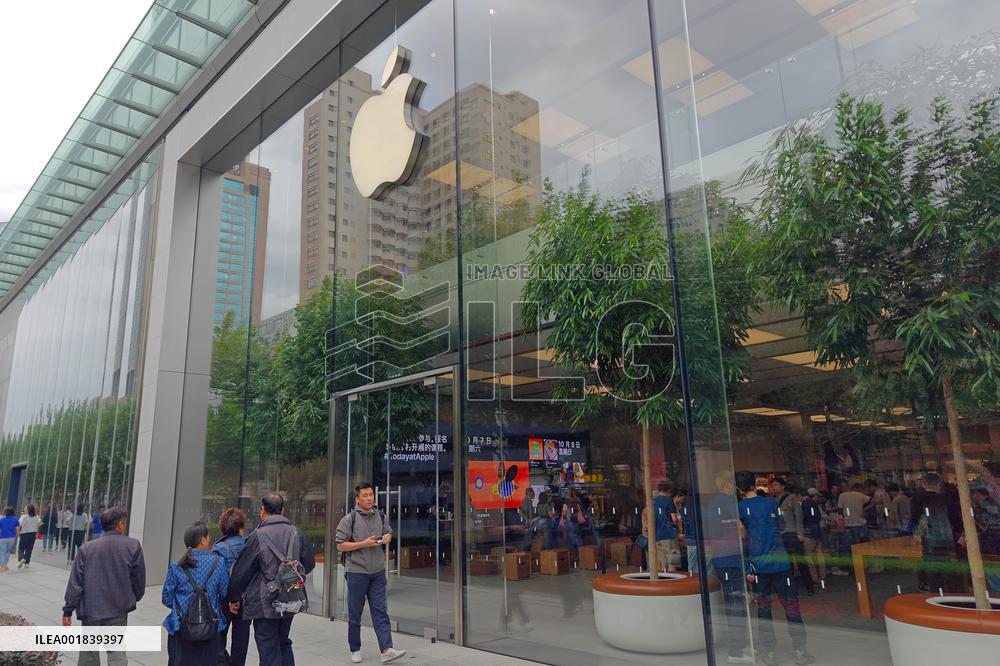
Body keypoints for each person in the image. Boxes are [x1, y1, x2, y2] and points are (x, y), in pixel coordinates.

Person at [736, 471, 815, 666]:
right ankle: (800, 651)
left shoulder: (739, 508)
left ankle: (770, 654)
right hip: (780, 563)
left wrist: (748, 568)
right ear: (755, 484)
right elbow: (780, 525)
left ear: (738, 488)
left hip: (759, 565)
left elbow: (742, 539)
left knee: (764, 611)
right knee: (791, 608)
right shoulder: (771, 503)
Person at [228, 492, 316, 666]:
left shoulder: (257, 536)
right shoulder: (296, 533)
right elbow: (309, 563)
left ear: (262, 510)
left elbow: (241, 571)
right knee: (283, 642)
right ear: (282, 510)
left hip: (264, 603)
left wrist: (234, 597)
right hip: (291, 598)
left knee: (268, 647)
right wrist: (289, 579)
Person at [62, 507, 146, 666]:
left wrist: (68, 609)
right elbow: (139, 579)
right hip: (118, 607)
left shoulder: (87, 548)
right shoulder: (133, 546)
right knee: (116, 650)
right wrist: (134, 597)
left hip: (91, 608)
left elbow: (76, 582)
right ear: (120, 525)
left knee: (89, 652)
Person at [335, 482, 406, 664]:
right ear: (357, 499)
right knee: (355, 613)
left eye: (371, 495)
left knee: (380, 611)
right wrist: (362, 544)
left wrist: (388, 536)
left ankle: (386, 649)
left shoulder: (381, 516)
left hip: (377, 573)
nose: (369, 498)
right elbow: (340, 545)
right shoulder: (349, 519)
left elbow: (388, 531)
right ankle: (355, 648)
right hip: (356, 573)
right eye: (365, 496)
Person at [163, 521, 229, 665]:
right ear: (203, 540)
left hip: (180, 626)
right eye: (208, 537)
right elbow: (224, 593)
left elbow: (166, 598)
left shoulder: (176, 565)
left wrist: (181, 607)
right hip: (210, 626)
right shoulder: (219, 563)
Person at [706, 472, 753, 664]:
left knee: (733, 602)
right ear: (728, 484)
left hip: (721, 558)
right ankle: (736, 650)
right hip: (732, 557)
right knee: (737, 605)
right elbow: (741, 531)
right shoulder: (729, 504)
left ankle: (738, 646)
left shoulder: (713, 505)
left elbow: (712, 532)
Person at [911, 473, 963, 593]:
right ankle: (955, 599)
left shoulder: (917, 499)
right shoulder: (946, 499)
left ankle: (937, 599)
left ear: (923, 484)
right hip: (948, 539)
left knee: (934, 575)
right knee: (952, 575)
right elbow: (955, 520)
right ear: (939, 484)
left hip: (928, 540)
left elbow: (915, 519)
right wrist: (959, 533)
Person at [213, 507, 250, 666]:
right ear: (241, 527)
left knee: (219, 636)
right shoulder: (249, 545)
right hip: (246, 599)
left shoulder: (218, 548)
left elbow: (216, 578)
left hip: (224, 600)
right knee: (241, 639)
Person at [772, 478, 813, 594]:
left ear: (783, 486)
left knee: (801, 562)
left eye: (776, 485)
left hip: (793, 533)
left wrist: (800, 533)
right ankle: (791, 588)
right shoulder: (774, 500)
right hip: (781, 535)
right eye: (773, 485)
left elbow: (799, 516)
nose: (774, 487)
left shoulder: (792, 498)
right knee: (787, 564)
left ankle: (809, 586)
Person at [642, 480, 680, 573]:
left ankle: (665, 582)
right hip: (669, 535)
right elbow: (674, 519)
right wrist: (677, 525)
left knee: (664, 563)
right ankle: (672, 584)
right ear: (669, 489)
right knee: (673, 562)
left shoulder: (653, 502)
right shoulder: (669, 500)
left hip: (657, 536)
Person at [970, 482, 1000, 595]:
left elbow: (984, 527)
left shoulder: (979, 510)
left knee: (995, 579)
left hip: (990, 548)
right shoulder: (997, 503)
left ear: (976, 494)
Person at [836, 482, 869, 574]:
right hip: (862, 524)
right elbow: (872, 500)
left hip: (849, 525)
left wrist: (840, 520)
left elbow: (840, 510)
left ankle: (854, 569)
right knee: (863, 547)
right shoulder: (860, 495)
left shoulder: (842, 496)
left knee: (849, 548)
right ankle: (864, 567)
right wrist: (865, 510)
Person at [801, 489, 826, 588]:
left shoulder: (804, 504)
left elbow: (804, 518)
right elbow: (818, 517)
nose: (818, 497)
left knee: (808, 556)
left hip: (808, 533)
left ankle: (815, 579)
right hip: (817, 531)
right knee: (819, 555)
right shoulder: (815, 505)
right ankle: (822, 577)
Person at [0, 506, 20, 571]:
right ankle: (5, 565)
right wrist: (18, 535)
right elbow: (17, 529)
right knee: (7, 551)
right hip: (12, 538)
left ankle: (2, 566)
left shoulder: (2, 520)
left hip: (3, 537)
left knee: (2, 551)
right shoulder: (16, 519)